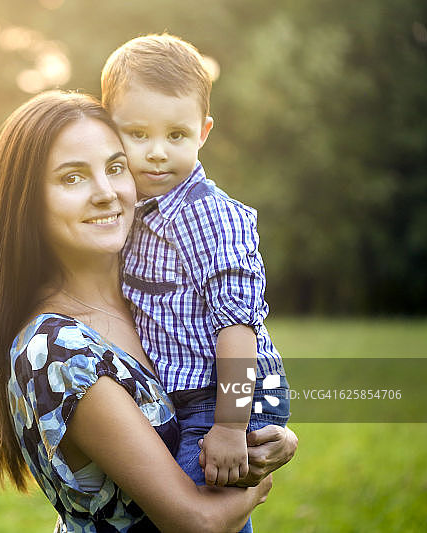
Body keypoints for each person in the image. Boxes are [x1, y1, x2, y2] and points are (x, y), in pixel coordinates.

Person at [0, 90, 297, 532]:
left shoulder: (160, 299)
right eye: (72, 178)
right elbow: (196, 523)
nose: (106, 193)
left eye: (115, 167)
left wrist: (269, 438)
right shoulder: (56, 351)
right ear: (27, 202)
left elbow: (222, 390)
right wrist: (259, 485)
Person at [101, 34, 290, 531]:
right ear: (108, 127)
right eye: (137, 134)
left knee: (198, 509)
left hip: (222, 394)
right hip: (191, 395)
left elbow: (238, 326)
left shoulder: (208, 217)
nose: (157, 153)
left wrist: (230, 424)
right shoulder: (135, 210)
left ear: (203, 132)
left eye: (176, 136)